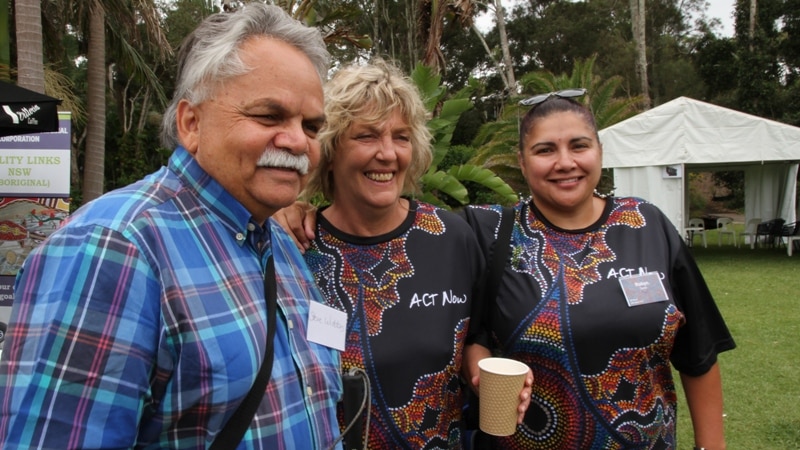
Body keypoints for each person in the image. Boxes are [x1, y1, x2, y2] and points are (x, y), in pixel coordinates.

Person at [0, 4, 343, 449]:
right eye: (268, 116)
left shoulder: (280, 243)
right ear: (191, 123)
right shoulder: (113, 248)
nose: (298, 141)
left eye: (311, 125)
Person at [461, 90, 736, 449]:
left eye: (579, 145)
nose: (565, 162)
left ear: (600, 151)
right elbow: (467, 333)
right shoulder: (490, 233)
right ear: (523, 162)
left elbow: (698, 351)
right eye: (545, 150)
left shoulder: (646, 225)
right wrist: (478, 367)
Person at [278, 59, 531, 449]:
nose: (388, 153)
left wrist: (481, 374)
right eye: (366, 136)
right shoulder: (295, 246)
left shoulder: (450, 237)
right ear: (330, 148)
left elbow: (476, 335)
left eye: (401, 136)